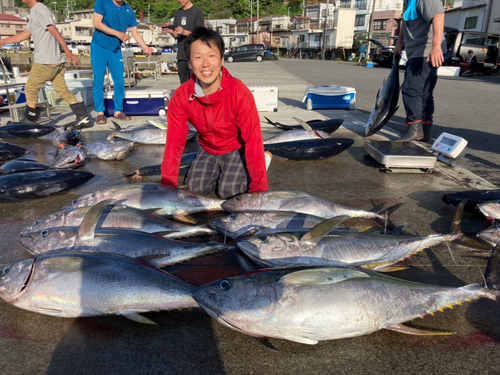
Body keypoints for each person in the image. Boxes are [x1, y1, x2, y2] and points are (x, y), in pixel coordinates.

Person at [161, 27, 268, 199]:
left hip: (236, 147)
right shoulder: (181, 96)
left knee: (229, 192)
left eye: (211, 56)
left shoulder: (239, 92)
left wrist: (259, 192)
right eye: (198, 57)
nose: (205, 64)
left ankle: (254, 165)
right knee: (194, 191)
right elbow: (174, 144)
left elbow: (253, 140)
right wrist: (167, 188)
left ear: (222, 60)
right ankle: (221, 171)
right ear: (189, 63)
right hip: (208, 149)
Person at [0, 0, 92, 128]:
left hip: (45, 61)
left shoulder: (39, 9)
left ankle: (30, 120)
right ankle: (83, 118)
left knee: (31, 88)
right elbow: (25, 34)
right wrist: (4, 41)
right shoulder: (33, 11)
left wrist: (67, 51)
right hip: (55, 61)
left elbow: (53, 29)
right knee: (62, 90)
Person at [91, 0, 153, 125]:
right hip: (99, 46)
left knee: (119, 79)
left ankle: (118, 111)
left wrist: (145, 47)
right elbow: (97, 23)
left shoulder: (129, 11)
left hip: (115, 49)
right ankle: (100, 113)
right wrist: (117, 33)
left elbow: (135, 32)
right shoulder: (102, 2)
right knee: (98, 79)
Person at [394, 0, 444, 143]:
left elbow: (438, 15)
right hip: (416, 52)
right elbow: (406, 21)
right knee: (423, 93)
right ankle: (424, 130)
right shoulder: (411, 1)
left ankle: (414, 129)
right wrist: (399, 42)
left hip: (425, 51)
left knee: (411, 89)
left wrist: (436, 46)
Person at [165, 0, 204, 84]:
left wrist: (184, 32)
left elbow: (200, 34)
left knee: (195, 83)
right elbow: (177, 36)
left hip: (194, 54)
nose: (180, 0)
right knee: (183, 84)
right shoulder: (178, 13)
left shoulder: (197, 12)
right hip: (181, 54)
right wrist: (172, 32)